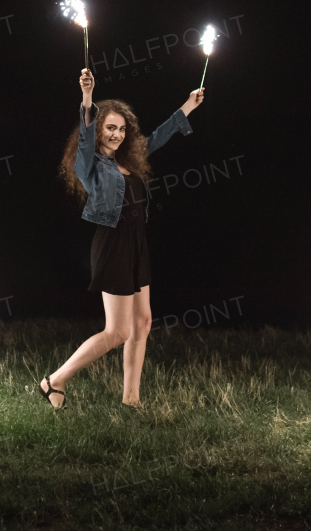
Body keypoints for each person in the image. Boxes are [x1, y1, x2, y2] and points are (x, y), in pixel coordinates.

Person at [38, 68, 204, 409]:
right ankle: (54, 380)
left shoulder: (130, 159)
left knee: (143, 322)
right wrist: (87, 98)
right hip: (112, 244)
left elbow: (158, 135)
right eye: (110, 128)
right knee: (117, 332)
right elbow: (84, 136)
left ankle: (131, 400)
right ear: (100, 130)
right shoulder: (90, 164)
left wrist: (187, 106)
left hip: (136, 244)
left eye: (121, 128)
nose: (117, 134)